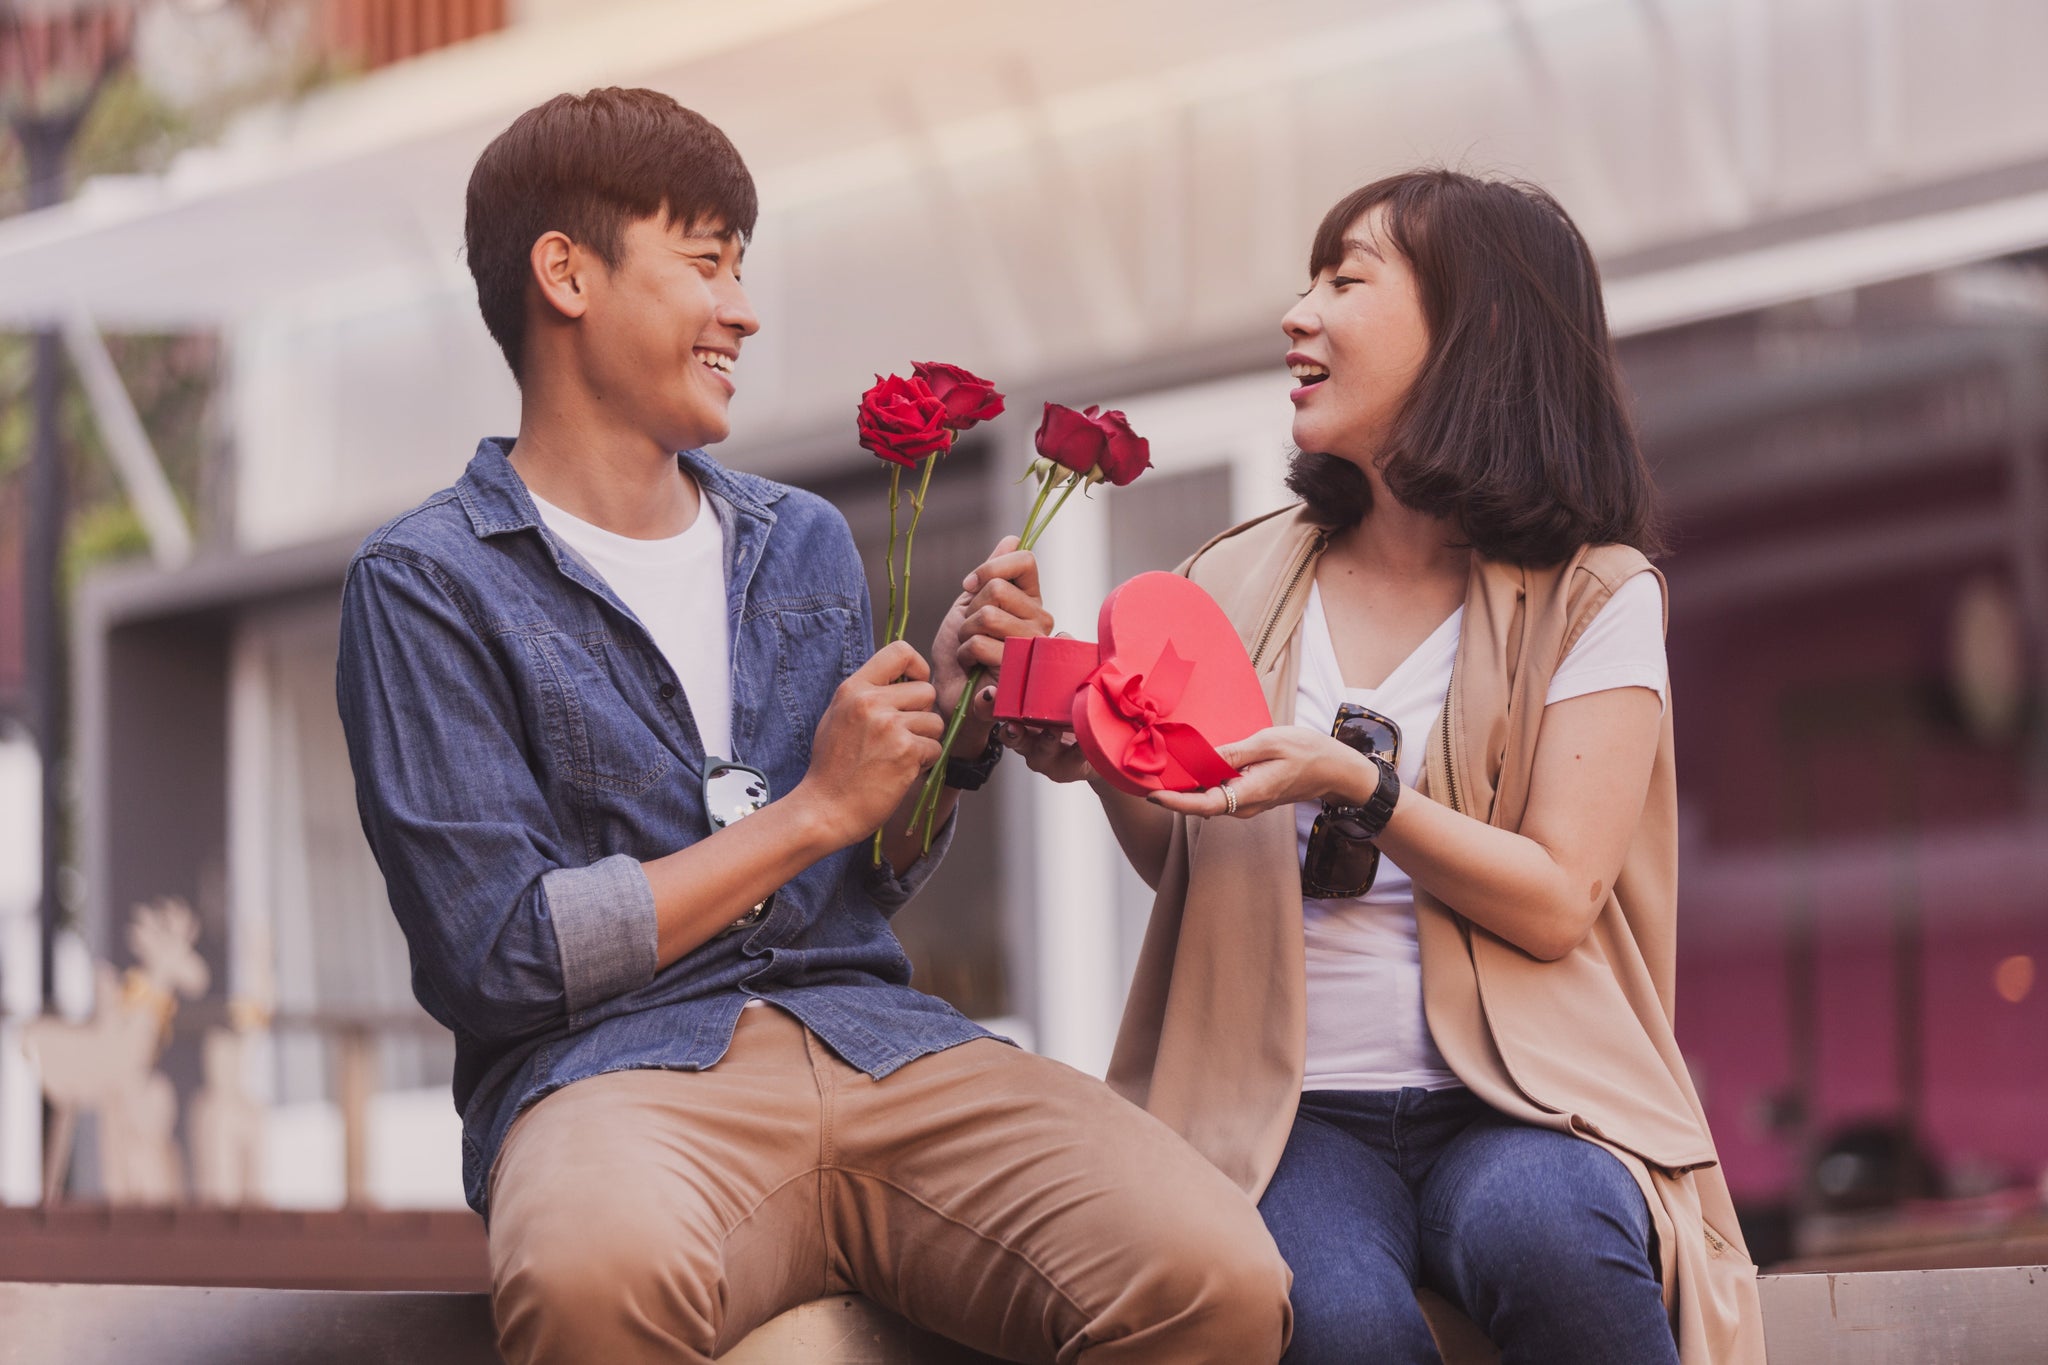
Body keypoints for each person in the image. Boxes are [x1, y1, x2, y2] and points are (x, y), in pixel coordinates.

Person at [335, 87, 1290, 1365]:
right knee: (588, 1284)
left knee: (1216, 1274)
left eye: (744, 266)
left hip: (881, 1044)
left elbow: (860, 879)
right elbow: (498, 955)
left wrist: (944, 733)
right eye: (705, 262)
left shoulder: (798, 541)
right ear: (564, 274)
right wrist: (813, 811)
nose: (744, 307)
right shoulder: (428, 582)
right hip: (616, 1081)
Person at [1005, 170, 1765, 1365]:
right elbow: (1189, 865)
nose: (1295, 313)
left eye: (1343, 279)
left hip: (1525, 1106)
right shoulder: (1229, 578)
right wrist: (1096, 759)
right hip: (1286, 1114)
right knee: (1333, 1323)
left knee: (1555, 1239)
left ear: (1475, 331)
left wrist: (1357, 786)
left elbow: (1559, 897)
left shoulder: (1594, 593)